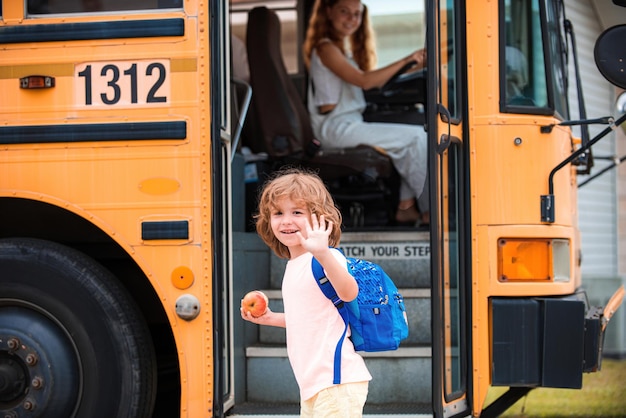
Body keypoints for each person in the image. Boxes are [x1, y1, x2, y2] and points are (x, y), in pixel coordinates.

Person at [241, 168, 372, 417]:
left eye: (297, 212)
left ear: (319, 218)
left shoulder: (325, 258)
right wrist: (268, 318)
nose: (286, 220)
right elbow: (308, 320)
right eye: (278, 213)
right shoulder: (294, 266)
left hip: (336, 382)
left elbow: (349, 292)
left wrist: (323, 253)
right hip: (313, 385)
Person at [303, 0, 429, 225]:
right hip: (336, 128)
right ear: (329, 12)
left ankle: (406, 208)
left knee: (415, 137)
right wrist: (409, 58)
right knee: (416, 137)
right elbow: (365, 82)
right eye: (344, 12)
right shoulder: (325, 48)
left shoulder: (342, 51)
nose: (351, 19)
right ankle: (430, 211)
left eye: (357, 14)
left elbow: (375, 81)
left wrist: (414, 65)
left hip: (349, 123)